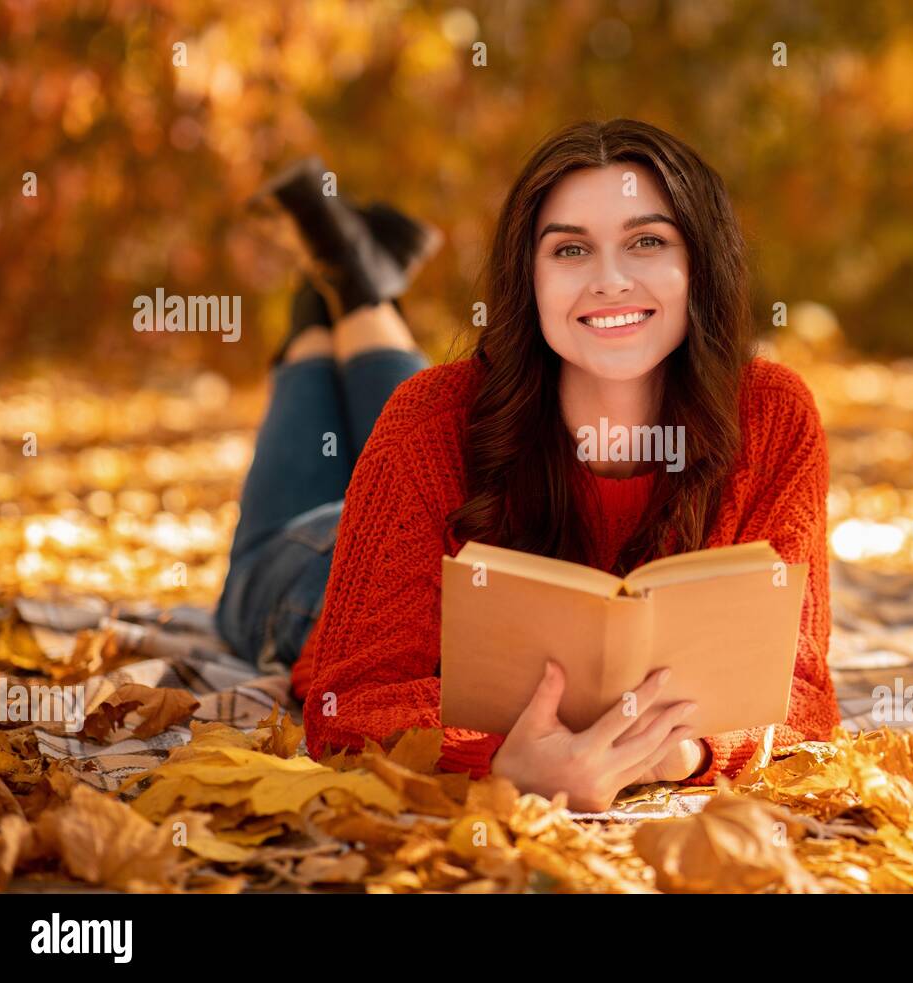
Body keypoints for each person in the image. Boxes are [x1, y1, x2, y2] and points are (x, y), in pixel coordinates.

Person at [218, 119, 840, 813]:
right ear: (530, 278)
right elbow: (346, 706)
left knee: (417, 403)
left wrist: (683, 749)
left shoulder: (773, 415)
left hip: (418, 499)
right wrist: (501, 755)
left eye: (647, 241)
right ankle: (329, 296)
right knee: (353, 402)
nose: (610, 280)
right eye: (571, 249)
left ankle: (342, 282)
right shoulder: (429, 421)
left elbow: (805, 696)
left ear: (701, 264)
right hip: (314, 571)